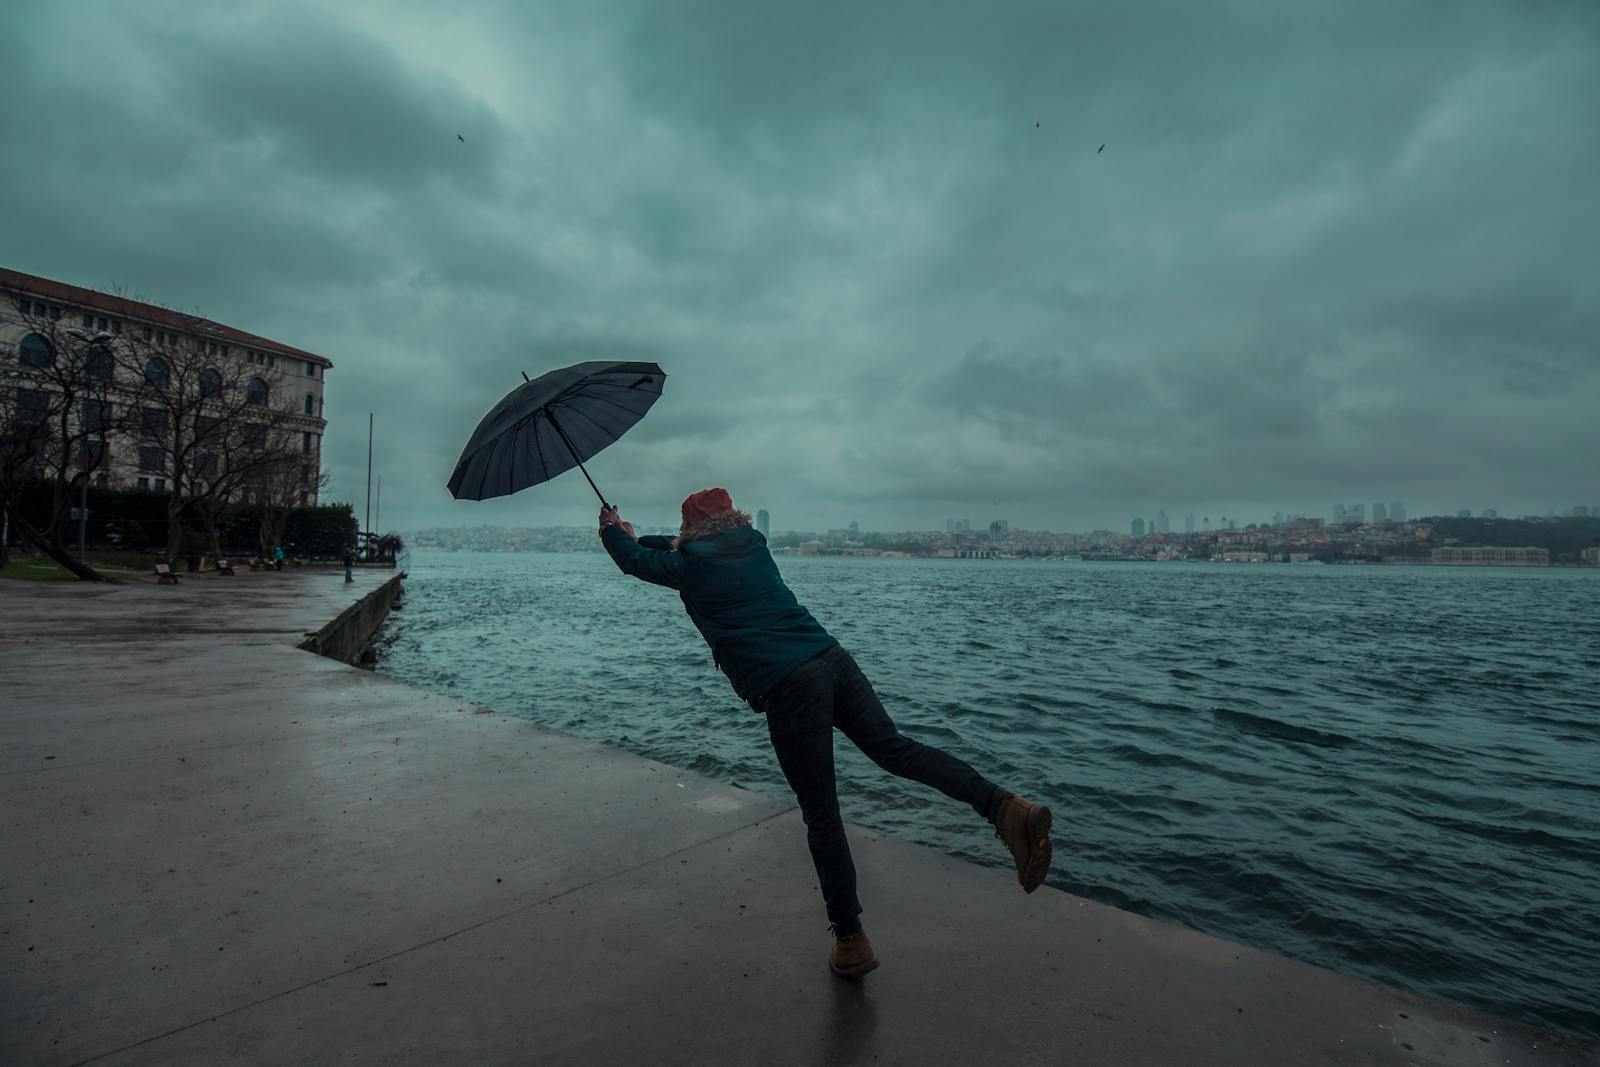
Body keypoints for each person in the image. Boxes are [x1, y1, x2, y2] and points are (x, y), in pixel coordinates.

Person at [599, 488, 1052, 979]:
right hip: (832, 661)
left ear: (691, 529)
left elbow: (639, 563)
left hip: (789, 685)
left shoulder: (691, 566)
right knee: (896, 749)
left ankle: (851, 939)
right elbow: (666, 549)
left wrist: (610, 531)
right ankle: (1004, 807)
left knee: (822, 814)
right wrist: (633, 535)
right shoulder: (753, 544)